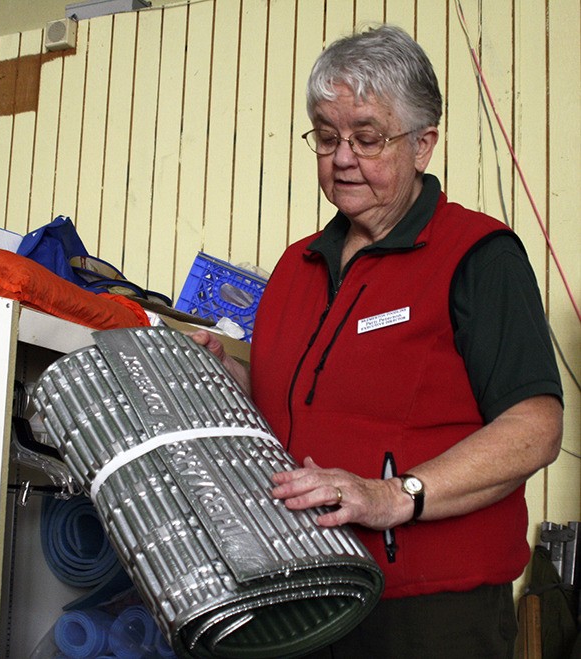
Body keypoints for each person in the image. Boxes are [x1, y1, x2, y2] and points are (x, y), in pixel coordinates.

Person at [191, 24, 563, 658]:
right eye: (328, 136)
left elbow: (536, 426)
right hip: (299, 591)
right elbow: (298, 406)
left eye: (366, 138)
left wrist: (394, 496)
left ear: (423, 145)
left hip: (426, 614)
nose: (342, 157)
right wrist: (223, 378)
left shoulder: (477, 255)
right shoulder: (296, 265)